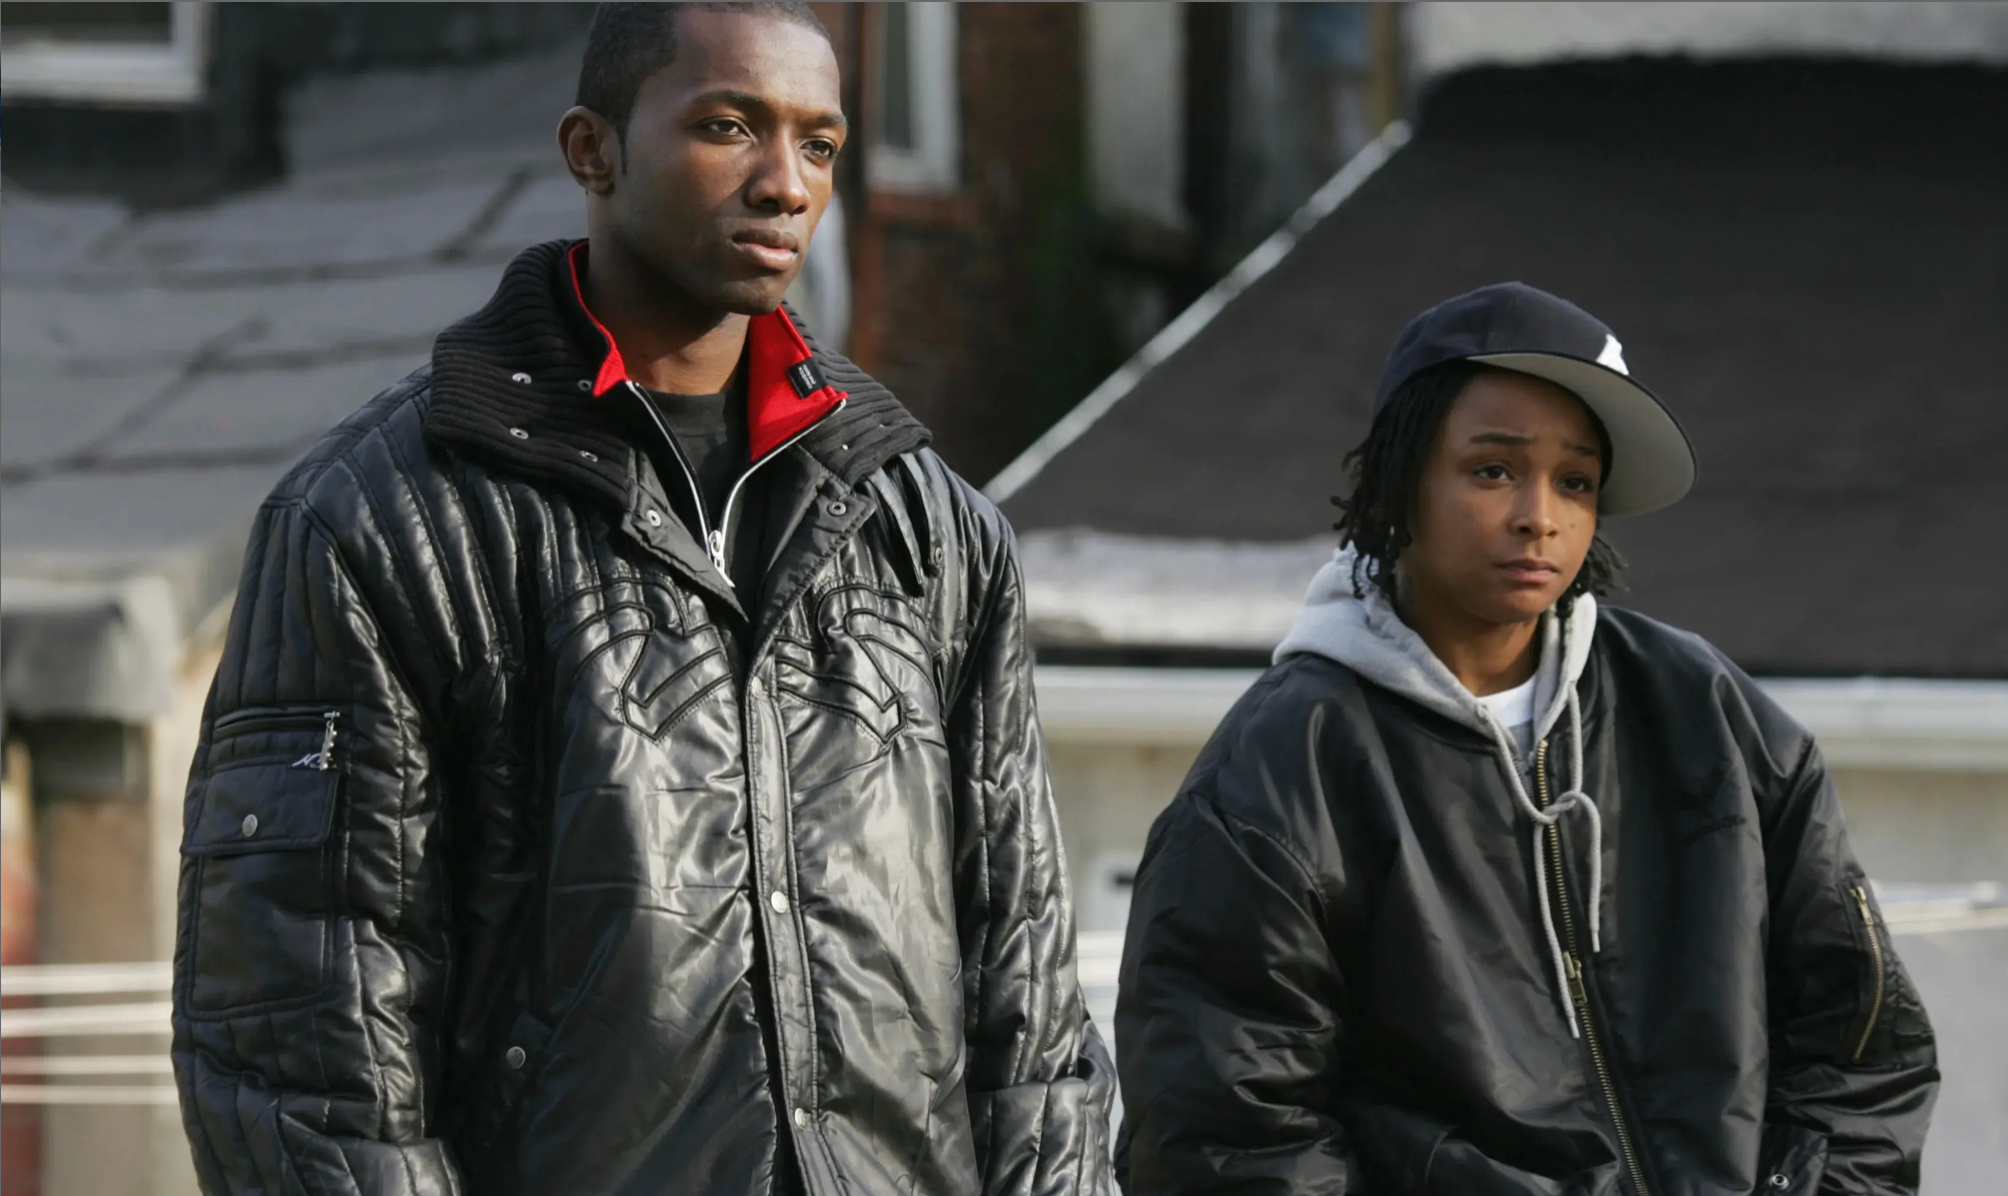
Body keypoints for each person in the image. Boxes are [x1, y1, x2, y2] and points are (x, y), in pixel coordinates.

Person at [170, 5, 1112, 1194]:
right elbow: (303, 1046)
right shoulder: (379, 522)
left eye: (818, 144)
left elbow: (1025, 998)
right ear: (592, 149)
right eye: (729, 126)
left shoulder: (930, 528)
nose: (784, 183)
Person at [1114, 283, 1937, 1194]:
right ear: (1402, 481)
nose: (1539, 515)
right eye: (1493, 469)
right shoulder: (1281, 771)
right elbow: (1228, 1137)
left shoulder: (1709, 715)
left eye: (1576, 481)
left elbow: (1863, 1050)